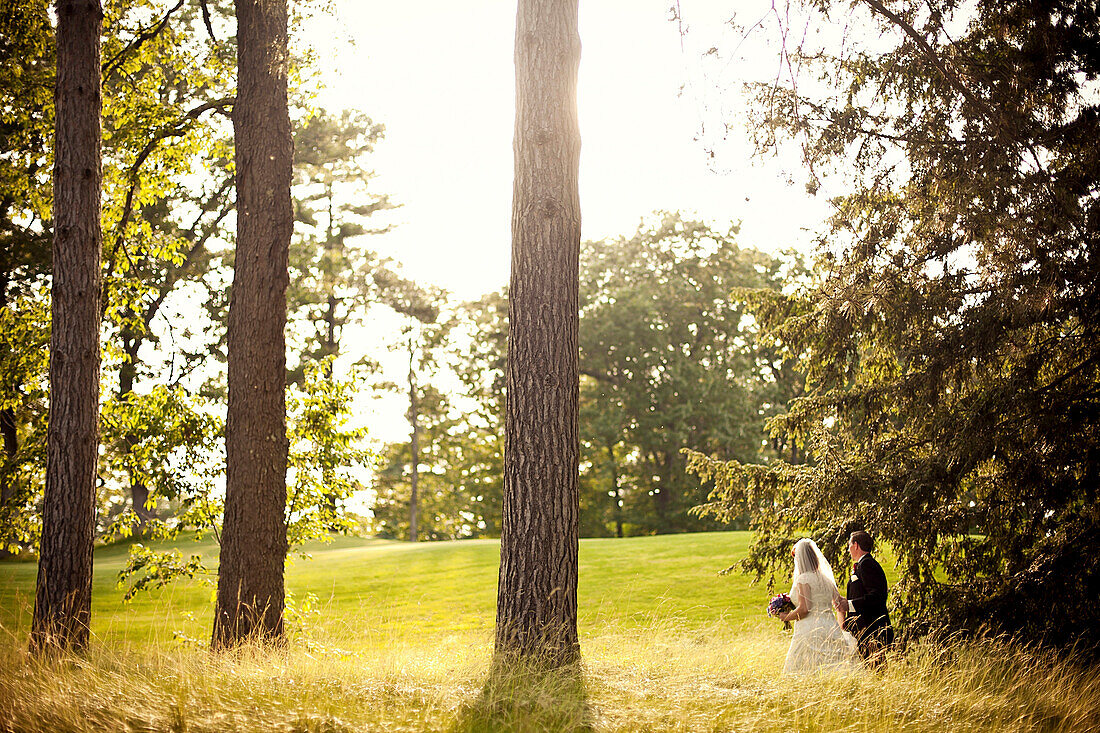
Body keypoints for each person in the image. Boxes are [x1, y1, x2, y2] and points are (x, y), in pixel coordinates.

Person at [778, 538, 860, 674]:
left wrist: (786, 617)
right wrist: (841, 628)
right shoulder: (826, 579)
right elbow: (839, 606)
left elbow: (805, 609)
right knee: (834, 666)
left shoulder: (803, 579)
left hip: (809, 629)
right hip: (830, 626)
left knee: (805, 669)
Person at [833, 530, 894, 665]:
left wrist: (848, 604)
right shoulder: (864, 565)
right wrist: (844, 602)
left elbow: (876, 597)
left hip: (871, 630)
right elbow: (862, 593)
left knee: (875, 670)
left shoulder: (867, 565)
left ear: (856, 545)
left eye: (849, 545)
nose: (848, 549)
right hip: (864, 631)